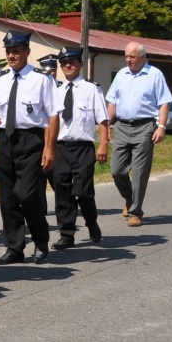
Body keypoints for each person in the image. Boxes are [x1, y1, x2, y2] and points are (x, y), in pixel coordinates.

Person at [0, 31, 59, 265]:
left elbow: (52, 115)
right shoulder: (0, 79)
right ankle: (15, 247)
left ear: (27, 51)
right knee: (7, 197)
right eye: (8, 51)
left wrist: (49, 148)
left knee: (27, 196)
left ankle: (40, 240)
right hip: (6, 140)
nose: (11, 55)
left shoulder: (42, 79)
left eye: (16, 51)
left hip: (32, 140)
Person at [105, 42, 172, 227]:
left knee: (139, 172)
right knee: (117, 171)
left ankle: (136, 212)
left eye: (132, 57)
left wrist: (161, 126)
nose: (128, 60)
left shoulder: (155, 75)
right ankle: (129, 198)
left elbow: (164, 103)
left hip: (145, 127)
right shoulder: (121, 74)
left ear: (143, 57)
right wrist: (106, 125)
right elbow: (112, 102)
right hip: (122, 126)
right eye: (126, 56)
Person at [50, 48, 110, 249]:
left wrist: (103, 144)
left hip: (83, 147)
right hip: (60, 147)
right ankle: (67, 235)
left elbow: (103, 119)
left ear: (81, 64)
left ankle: (91, 222)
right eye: (64, 63)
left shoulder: (91, 89)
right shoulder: (56, 91)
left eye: (72, 62)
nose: (67, 66)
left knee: (83, 192)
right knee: (62, 191)